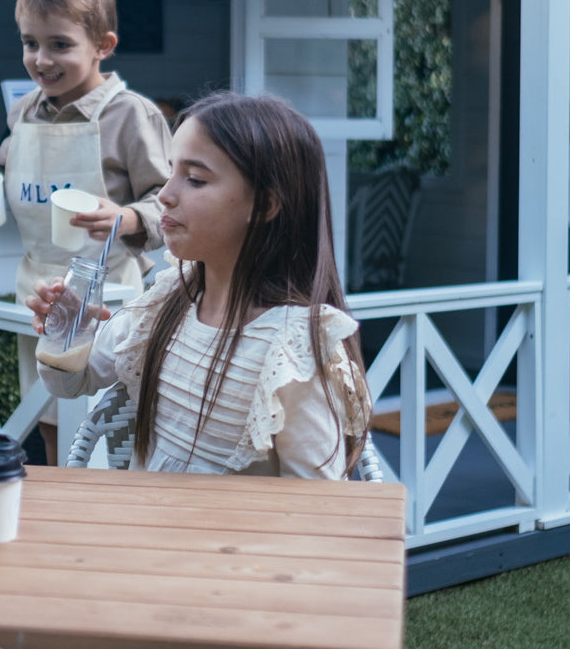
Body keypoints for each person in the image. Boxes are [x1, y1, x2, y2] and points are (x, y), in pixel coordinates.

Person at [29, 91, 372, 477]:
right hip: (150, 532)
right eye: (171, 171)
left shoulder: (292, 350)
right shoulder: (167, 303)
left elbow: (315, 511)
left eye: (194, 179)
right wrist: (67, 331)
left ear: (265, 206)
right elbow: (70, 382)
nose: (164, 195)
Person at [0, 0, 172, 460]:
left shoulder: (130, 114)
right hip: (39, 297)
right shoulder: (25, 109)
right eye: (30, 43)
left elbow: (170, 204)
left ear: (103, 46)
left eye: (60, 45)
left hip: (111, 301)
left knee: (114, 429)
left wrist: (126, 218)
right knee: (50, 421)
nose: (41, 59)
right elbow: (0, 164)